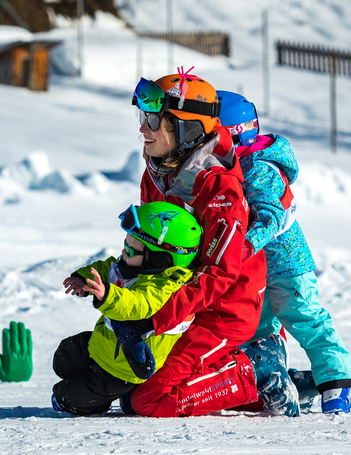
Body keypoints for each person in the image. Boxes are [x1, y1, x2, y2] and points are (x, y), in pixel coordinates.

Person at [127, 67, 299, 417]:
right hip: (182, 305)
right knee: (125, 381)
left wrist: (150, 322)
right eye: (143, 117)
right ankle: (267, 385)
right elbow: (146, 246)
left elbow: (219, 275)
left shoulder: (219, 188)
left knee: (146, 401)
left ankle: (257, 370)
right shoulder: (157, 172)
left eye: (153, 119)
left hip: (224, 311)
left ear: (184, 127)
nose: (142, 128)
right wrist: (118, 293)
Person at [217, 90, 351, 413]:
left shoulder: (259, 168)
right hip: (256, 269)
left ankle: (336, 384)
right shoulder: (240, 164)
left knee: (307, 320)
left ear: (232, 134)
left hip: (287, 266)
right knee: (257, 331)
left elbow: (270, 216)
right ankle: (282, 382)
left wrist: (245, 245)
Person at [51, 201, 202, 415]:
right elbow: (107, 268)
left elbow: (138, 305)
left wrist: (108, 295)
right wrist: (82, 277)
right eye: (127, 241)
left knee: (66, 397)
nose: (124, 249)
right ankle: (94, 380)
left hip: (123, 369)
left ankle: (103, 398)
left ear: (158, 257)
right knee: (63, 357)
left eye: (132, 246)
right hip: (101, 345)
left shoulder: (165, 287)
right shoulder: (131, 267)